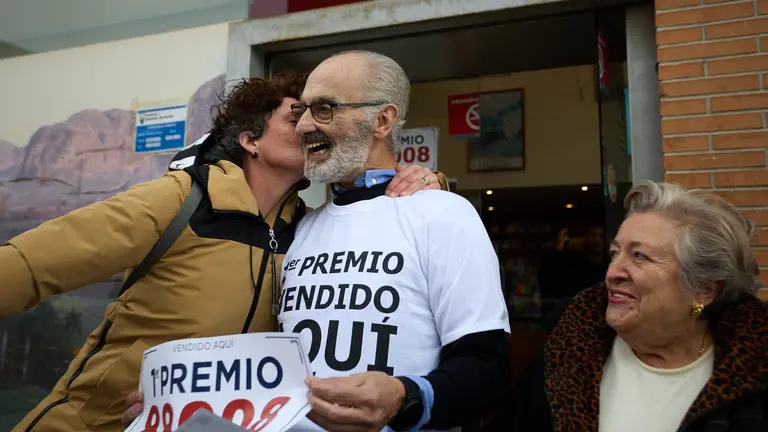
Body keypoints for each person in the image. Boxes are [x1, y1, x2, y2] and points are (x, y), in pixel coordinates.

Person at [0, 71, 445, 432]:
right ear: (251, 141)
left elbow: (383, 227)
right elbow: (28, 266)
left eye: (317, 115)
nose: (311, 126)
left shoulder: (312, 228)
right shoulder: (183, 199)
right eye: (295, 117)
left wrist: (428, 184)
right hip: (94, 422)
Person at [124, 50, 512, 432]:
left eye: (324, 109)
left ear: (382, 120)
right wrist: (177, 401)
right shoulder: (301, 227)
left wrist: (405, 397)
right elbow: (262, 370)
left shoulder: (444, 214)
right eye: (301, 112)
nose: (304, 126)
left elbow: (488, 369)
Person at [501, 181, 767, 432]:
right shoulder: (565, 356)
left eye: (639, 256)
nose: (612, 272)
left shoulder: (755, 378)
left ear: (704, 289)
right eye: (615, 253)